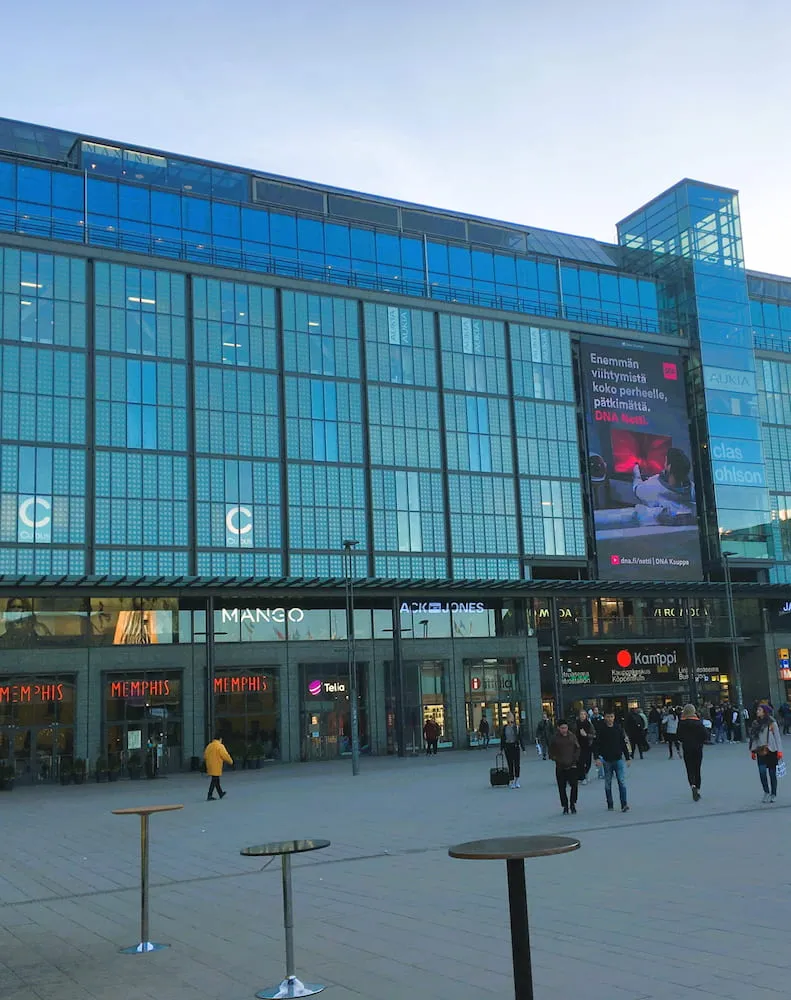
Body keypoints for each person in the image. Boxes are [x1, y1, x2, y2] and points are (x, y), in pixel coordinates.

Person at [632, 448, 695, 512]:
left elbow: (637, 489)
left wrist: (637, 474)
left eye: (665, 461)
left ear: (669, 467)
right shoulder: (693, 490)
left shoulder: (653, 488)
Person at [593, 711, 631, 812]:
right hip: (606, 760)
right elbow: (596, 744)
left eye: (611, 716)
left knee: (622, 782)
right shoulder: (601, 729)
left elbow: (623, 743)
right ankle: (610, 803)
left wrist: (627, 757)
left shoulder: (618, 728)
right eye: (608, 717)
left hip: (618, 759)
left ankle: (624, 804)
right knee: (608, 783)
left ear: (614, 717)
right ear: (604, 718)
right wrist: (596, 758)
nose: (610, 719)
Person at [748, 704, 784, 803]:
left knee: (772, 774)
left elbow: (777, 737)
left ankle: (773, 793)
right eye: (757, 710)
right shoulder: (755, 723)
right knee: (762, 772)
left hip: (771, 750)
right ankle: (766, 792)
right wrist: (753, 750)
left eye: (759, 710)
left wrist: (780, 750)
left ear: (764, 711)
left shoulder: (772, 723)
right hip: (760, 750)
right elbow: (753, 738)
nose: (757, 711)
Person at [549, 720, 581, 814]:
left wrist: (575, 758)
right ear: (558, 728)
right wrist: (556, 758)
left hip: (572, 765)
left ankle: (572, 803)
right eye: (562, 728)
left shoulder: (572, 737)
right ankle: (565, 806)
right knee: (562, 788)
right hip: (560, 766)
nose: (564, 730)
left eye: (565, 728)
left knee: (574, 786)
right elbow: (551, 752)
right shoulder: (555, 739)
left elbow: (578, 748)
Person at [677, 704, 706, 801]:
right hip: (698, 748)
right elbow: (705, 735)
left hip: (687, 748)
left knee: (689, 768)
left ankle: (692, 785)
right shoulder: (698, 722)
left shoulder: (682, 723)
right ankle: (697, 789)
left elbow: (679, 736)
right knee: (697, 768)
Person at [204, 735, 233, 801]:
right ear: (220, 739)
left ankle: (220, 793)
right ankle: (209, 795)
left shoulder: (209, 746)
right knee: (214, 780)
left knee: (216, 779)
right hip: (216, 765)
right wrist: (230, 761)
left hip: (210, 765)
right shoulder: (220, 746)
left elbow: (205, 755)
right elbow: (225, 755)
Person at [501, 711, 525, 789]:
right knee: (510, 764)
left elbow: (520, 738)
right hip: (508, 747)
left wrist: (523, 748)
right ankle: (511, 780)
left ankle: (517, 780)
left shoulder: (516, 727)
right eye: (508, 717)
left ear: (513, 718)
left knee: (517, 764)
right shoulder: (504, 728)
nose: (509, 719)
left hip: (515, 746)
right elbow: (502, 738)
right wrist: (501, 748)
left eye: (511, 717)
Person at [574, 708, 596, 784]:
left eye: (584, 714)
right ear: (579, 716)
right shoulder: (576, 724)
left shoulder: (589, 724)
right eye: (581, 714)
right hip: (578, 746)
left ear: (586, 715)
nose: (582, 716)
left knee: (588, 762)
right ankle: (582, 777)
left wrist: (586, 735)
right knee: (580, 762)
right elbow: (573, 734)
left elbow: (594, 735)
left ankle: (585, 773)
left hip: (587, 745)